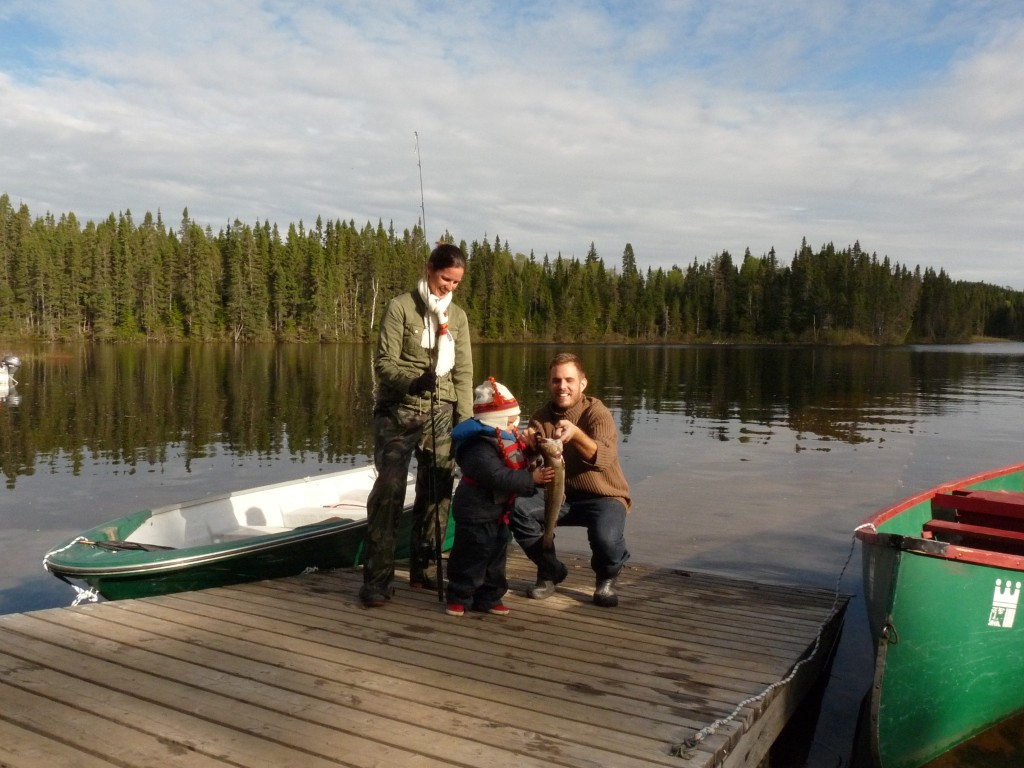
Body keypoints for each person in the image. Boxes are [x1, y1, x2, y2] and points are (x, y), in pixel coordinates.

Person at [359, 242, 474, 608]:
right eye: (445, 279)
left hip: (443, 411)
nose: (449, 288)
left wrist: (466, 421)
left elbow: (464, 372)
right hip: (399, 409)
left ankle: (424, 568)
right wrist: (413, 381)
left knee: (437, 491)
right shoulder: (400, 307)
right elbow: (384, 363)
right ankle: (377, 580)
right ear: (429, 269)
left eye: (456, 283)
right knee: (390, 490)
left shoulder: (457, 318)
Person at [511, 352, 631, 608]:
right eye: (556, 380)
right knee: (518, 509)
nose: (562, 387)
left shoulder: (597, 412)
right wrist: (529, 448)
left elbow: (605, 458)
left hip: (604, 495)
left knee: (606, 539)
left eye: (569, 380)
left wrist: (576, 435)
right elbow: (528, 467)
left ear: (582, 383)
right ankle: (550, 570)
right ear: (549, 383)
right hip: (560, 495)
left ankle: (606, 577)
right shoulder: (541, 417)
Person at [444, 377, 555, 617]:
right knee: (470, 556)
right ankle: (460, 596)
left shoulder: (503, 437)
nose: (516, 427)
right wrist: (532, 480)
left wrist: (533, 449)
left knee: (496, 558)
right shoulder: (478, 447)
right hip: (476, 513)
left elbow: (516, 461)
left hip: (499, 511)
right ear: (497, 421)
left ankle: (490, 597)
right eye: (512, 421)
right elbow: (498, 476)